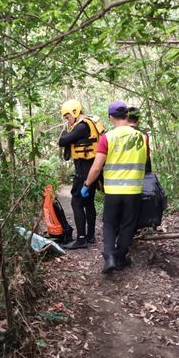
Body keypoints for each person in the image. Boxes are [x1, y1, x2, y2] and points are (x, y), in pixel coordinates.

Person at [81, 100, 148, 273]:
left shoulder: (107, 138)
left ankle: (109, 256)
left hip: (113, 191)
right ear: (127, 115)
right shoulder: (142, 137)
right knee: (127, 225)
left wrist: (87, 184)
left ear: (110, 117)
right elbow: (146, 160)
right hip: (133, 191)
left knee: (110, 224)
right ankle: (120, 257)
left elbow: (97, 167)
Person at [57, 99, 100, 249]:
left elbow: (62, 141)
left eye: (67, 117)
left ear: (75, 112)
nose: (67, 120)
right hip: (92, 171)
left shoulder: (81, 126)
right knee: (88, 202)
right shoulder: (88, 123)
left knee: (76, 202)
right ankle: (90, 236)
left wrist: (64, 131)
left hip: (84, 172)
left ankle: (81, 239)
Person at [127, 106, 152, 174]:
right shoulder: (144, 135)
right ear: (138, 119)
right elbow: (146, 156)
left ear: (126, 118)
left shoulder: (118, 134)